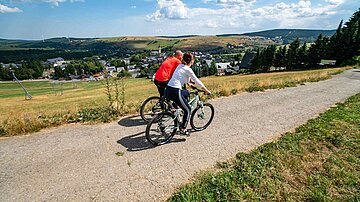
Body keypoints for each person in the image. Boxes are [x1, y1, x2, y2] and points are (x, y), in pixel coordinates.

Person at [165, 52, 211, 136]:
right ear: (191, 61)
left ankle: (177, 108)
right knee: (188, 109)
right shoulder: (188, 69)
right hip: (175, 91)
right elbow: (197, 81)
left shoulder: (180, 66)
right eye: (193, 60)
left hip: (168, 89)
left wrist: (190, 83)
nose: (193, 61)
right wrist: (206, 90)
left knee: (186, 93)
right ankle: (183, 129)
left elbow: (183, 78)